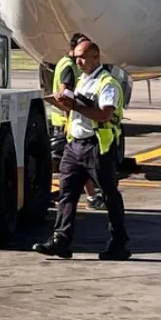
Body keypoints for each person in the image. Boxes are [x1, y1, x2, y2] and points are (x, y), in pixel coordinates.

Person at [34, 39, 131, 260]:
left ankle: (119, 243)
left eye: (83, 57)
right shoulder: (82, 80)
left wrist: (75, 106)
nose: (78, 61)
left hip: (97, 146)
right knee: (67, 194)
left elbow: (105, 114)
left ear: (96, 57)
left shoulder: (106, 83)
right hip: (75, 145)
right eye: (76, 56)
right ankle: (61, 240)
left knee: (109, 195)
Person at [50, 33, 105, 210]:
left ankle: (84, 197)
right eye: (81, 53)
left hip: (66, 119)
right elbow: (64, 91)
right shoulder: (69, 66)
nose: (82, 59)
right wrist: (70, 115)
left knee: (70, 167)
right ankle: (88, 197)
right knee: (78, 166)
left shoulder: (62, 62)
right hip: (68, 121)